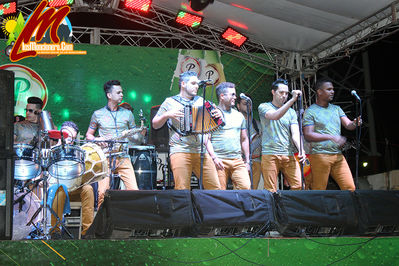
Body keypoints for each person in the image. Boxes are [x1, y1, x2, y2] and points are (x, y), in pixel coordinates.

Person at [152, 71, 222, 190]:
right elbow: (155, 125)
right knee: (182, 189)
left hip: (201, 151)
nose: (197, 86)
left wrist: (219, 114)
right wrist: (166, 115)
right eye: (193, 83)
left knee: (215, 188)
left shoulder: (201, 101)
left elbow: (216, 121)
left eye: (197, 84)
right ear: (183, 84)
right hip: (180, 150)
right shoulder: (170, 102)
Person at [86, 80, 141, 207]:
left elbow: (135, 135)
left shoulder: (128, 113)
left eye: (122, 92)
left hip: (123, 157)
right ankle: (102, 225)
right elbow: (89, 135)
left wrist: (137, 133)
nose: (122, 95)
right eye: (118, 92)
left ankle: (132, 222)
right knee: (102, 194)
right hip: (105, 157)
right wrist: (97, 139)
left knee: (134, 191)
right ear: (109, 95)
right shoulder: (98, 114)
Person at [303, 79, 361, 191]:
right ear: (319, 92)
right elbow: (308, 134)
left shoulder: (337, 109)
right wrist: (331, 137)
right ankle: (318, 209)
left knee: (350, 188)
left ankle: (346, 209)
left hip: (338, 156)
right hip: (320, 156)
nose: (332, 91)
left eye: (333, 89)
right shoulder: (310, 111)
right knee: (319, 190)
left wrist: (355, 123)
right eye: (329, 89)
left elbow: (348, 125)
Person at [49, 121, 95, 239]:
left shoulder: (78, 152)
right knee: (60, 189)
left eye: (72, 137)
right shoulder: (52, 150)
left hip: (74, 188)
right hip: (58, 190)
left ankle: (87, 231)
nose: (69, 140)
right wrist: (58, 145)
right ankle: (55, 231)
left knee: (88, 189)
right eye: (67, 136)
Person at [258, 78, 304, 192]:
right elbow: (275, 116)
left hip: (288, 154)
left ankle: (291, 209)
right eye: (281, 92)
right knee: (270, 189)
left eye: (286, 93)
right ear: (273, 92)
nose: (284, 96)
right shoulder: (263, 106)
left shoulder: (292, 112)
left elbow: (295, 133)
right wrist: (292, 100)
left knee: (298, 185)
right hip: (270, 154)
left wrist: (301, 149)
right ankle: (273, 210)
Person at [207, 82, 251, 190]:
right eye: (232, 94)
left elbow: (244, 139)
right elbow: (206, 139)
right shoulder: (212, 114)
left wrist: (248, 161)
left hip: (237, 160)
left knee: (246, 187)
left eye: (235, 95)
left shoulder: (239, 115)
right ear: (222, 96)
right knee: (219, 192)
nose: (235, 97)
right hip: (219, 159)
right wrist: (214, 157)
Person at [236, 93, 262, 189]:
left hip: (256, 161)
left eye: (250, 104)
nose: (248, 106)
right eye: (244, 104)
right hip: (240, 162)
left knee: (253, 190)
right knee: (239, 190)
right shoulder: (235, 122)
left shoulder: (257, 124)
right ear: (238, 106)